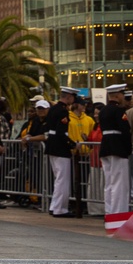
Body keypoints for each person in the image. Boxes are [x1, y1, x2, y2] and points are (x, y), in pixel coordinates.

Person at [100, 84, 133, 220]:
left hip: (105, 146)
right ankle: (119, 214)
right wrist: (128, 149)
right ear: (118, 95)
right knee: (120, 183)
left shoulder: (103, 110)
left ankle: (109, 212)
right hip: (117, 147)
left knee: (109, 183)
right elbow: (125, 131)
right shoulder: (119, 111)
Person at [45, 89, 76, 217]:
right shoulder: (63, 111)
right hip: (60, 147)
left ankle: (55, 206)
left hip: (52, 145)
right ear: (68, 97)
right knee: (62, 179)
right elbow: (61, 132)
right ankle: (60, 208)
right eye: (73, 96)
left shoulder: (53, 108)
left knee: (58, 178)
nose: (73, 99)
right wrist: (72, 144)